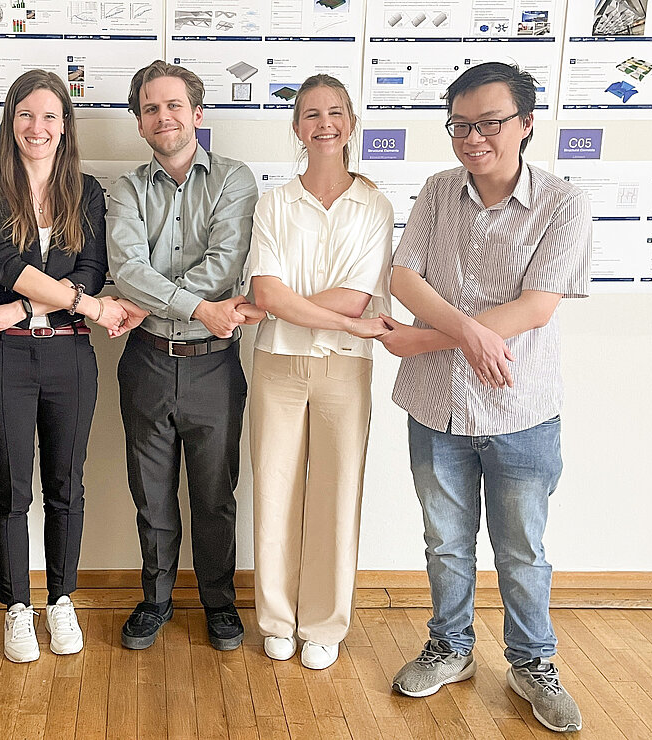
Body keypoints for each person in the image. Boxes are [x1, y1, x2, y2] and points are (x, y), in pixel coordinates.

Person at [378, 62, 590, 733]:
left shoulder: (562, 202)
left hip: (520, 408)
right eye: (460, 125)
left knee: (522, 549)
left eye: (490, 123)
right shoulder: (439, 191)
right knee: (445, 542)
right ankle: (451, 649)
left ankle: (532, 663)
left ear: (525, 124)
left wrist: (425, 339)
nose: (473, 138)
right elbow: (404, 277)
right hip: (435, 404)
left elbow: (536, 307)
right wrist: (467, 332)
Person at [0, 69, 128, 663]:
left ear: (65, 125)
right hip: (3, 357)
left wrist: (29, 307)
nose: (38, 127)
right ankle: (17, 606)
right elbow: (5, 264)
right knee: (10, 487)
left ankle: (61, 599)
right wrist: (85, 304)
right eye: (26, 115)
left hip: (69, 355)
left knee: (65, 485)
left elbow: (92, 268)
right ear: (11, 121)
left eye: (50, 116)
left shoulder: (86, 191)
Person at [106, 60, 258, 652]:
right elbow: (126, 268)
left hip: (214, 365)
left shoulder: (234, 179)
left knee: (215, 495)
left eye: (173, 105)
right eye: (150, 108)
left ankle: (219, 602)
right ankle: (156, 600)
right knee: (151, 494)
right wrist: (197, 308)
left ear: (197, 113)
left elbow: (224, 263)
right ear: (139, 122)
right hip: (145, 360)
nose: (163, 116)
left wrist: (155, 300)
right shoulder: (126, 189)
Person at [245, 74, 392, 670]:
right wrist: (302, 308)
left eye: (334, 113)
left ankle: (325, 624)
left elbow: (356, 297)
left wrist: (292, 304)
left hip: (345, 369)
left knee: (337, 492)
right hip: (277, 362)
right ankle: (278, 620)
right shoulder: (274, 202)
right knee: (274, 490)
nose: (323, 123)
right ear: (297, 127)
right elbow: (265, 293)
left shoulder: (375, 205)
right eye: (311, 114)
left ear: (350, 124)